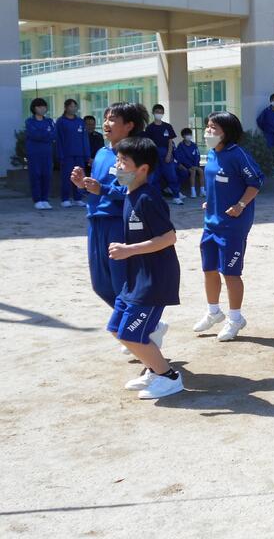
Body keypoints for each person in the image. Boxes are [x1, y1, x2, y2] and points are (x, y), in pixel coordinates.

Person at [71, 103, 168, 355]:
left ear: (129, 126)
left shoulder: (133, 156)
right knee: (100, 285)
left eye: (112, 119)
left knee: (122, 283)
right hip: (95, 222)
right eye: (105, 118)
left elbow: (129, 190)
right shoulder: (102, 153)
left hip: (118, 223)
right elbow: (99, 188)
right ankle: (147, 325)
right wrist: (83, 184)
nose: (106, 123)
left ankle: (143, 327)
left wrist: (101, 189)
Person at [106, 135, 183, 399]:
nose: (117, 166)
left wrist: (129, 250)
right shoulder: (130, 193)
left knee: (131, 334)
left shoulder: (148, 198)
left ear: (143, 169)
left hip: (154, 279)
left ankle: (169, 378)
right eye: (118, 160)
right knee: (117, 329)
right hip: (135, 278)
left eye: (123, 162)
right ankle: (153, 368)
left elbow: (169, 237)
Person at [192, 112, 264, 342]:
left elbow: (255, 182)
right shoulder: (213, 153)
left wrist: (240, 205)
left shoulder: (238, 155)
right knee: (209, 269)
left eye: (214, 128)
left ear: (227, 132)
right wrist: (211, 201)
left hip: (233, 226)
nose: (208, 131)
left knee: (231, 273)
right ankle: (214, 312)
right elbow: (218, 183)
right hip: (211, 224)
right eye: (208, 126)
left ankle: (235, 319)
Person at [144, 104, 183, 205]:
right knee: (154, 177)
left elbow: (170, 142)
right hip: (154, 153)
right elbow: (148, 143)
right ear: (153, 113)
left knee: (172, 175)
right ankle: (157, 197)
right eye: (157, 112)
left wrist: (169, 154)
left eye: (161, 112)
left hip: (166, 153)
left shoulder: (167, 126)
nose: (159, 114)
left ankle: (176, 196)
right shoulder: (149, 128)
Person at [55, 98, 89, 208]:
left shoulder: (80, 121)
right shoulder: (61, 121)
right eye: (71, 106)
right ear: (66, 108)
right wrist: (60, 154)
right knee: (67, 177)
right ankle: (65, 199)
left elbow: (84, 138)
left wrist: (87, 154)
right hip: (67, 154)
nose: (73, 108)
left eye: (75, 106)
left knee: (79, 176)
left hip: (79, 154)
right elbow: (59, 139)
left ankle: (78, 198)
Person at [25, 97, 56, 210]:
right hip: (34, 153)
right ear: (34, 108)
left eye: (44, 106)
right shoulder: (29, 121)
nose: (42, 108)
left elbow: (53, 135)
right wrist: (46, 134)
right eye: (39, 106)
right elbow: (34, 135)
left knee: (47, 176)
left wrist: (43, 134)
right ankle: (37, 200)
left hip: (47, 153)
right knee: (36, 175)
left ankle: (45, 199)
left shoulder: (49, 121)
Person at [256, 92, 274, 176]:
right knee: (269, 151)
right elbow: (259, 121)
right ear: (270, 101)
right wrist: (265, 130)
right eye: (273, 100)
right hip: (268, 135)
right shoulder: (266, 111)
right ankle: (268, 168)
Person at [175, 127, 205, 198]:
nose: (189, 136)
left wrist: (195, 165)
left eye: (190, 134)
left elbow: (197, 156)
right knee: (193, 172)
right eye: (187, 135)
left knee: (201, 171)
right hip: (186, 167)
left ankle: (202, 191)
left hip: (195, 165)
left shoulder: (194, 145)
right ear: (183, 136)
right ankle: (193, 192)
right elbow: (181, 158)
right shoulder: (181, 146)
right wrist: (189, 166)